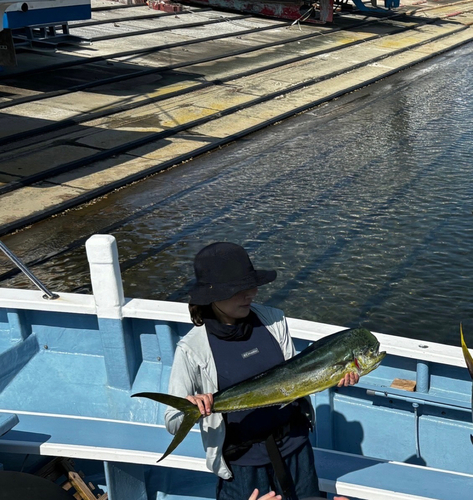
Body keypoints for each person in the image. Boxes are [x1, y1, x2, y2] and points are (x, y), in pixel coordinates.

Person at [165, 242, 359, 500]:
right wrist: (194, 405)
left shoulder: (273, 320)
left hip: (296, 450)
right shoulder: (192, 349)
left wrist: (334, 376)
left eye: (251, 286)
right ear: (213, 296)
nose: (252, 294)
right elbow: (173, 421)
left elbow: (297, 377)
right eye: (239, 290)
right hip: (244, 466)